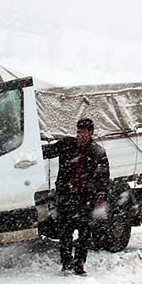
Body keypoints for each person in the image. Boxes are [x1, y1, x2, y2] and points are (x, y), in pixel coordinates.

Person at [43, 117, 111, 275]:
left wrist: (100, 198)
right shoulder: (67, 145)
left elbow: (103, 178)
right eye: (79, 131)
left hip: (86, 199)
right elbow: (47, 152)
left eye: (85, 132)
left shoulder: (97, 152)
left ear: (91, 132)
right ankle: (66, 263)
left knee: (84, 234)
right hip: (67, 197)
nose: (81, 134)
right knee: (65, 233)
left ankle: (79, 263)